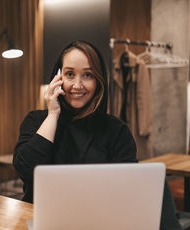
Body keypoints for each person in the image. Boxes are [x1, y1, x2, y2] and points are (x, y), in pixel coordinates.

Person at [13, 40, 137, 203]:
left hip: (97, 220)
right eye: (70, 74)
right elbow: (26, 170)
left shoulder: (117, 131)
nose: (77, 85)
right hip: (39, 218)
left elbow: (127, 190)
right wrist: (52, 115)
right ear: (58, 77)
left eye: (87, 75)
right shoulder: (36, 120)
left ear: (99, 81)